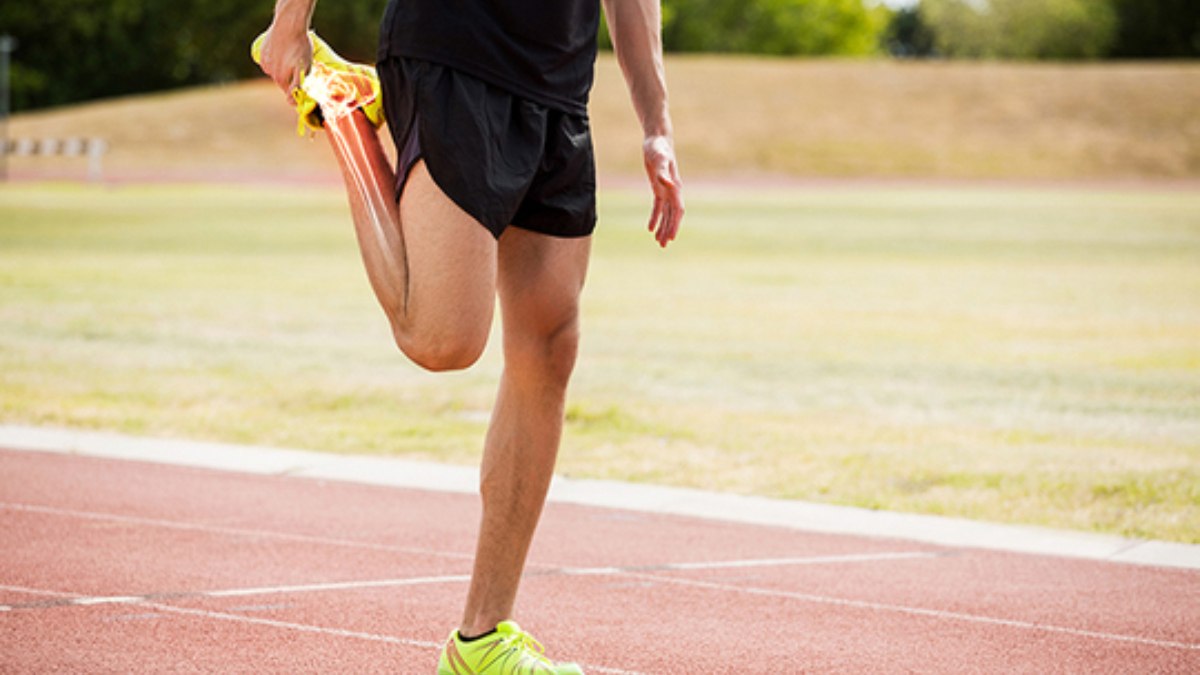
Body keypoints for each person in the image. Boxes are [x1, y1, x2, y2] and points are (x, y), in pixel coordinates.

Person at [254, 0, 683, 671]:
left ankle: (483, 638)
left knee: (550, 345)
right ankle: (342, 110)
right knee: (442, 338)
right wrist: (289, 28)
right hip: (455, 50)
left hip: (558, 85)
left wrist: (656, 124)